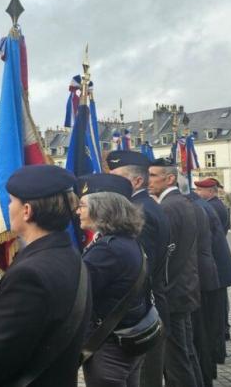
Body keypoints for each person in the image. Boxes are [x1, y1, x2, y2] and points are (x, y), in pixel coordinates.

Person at [0, 164, 91, 387]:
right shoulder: (68, 255)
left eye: (12, 200)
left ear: (27, 211)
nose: (8, 206)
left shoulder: (30, 275)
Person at [77, 174, 151, 387]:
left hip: (109, 347)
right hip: (127, 339)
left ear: (101, 208)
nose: (78, 211)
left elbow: (81, 292)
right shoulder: (125, 241)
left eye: (82, 205)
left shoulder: (107, 250)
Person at [106, 150, 170, 387]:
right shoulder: (143, 205)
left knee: (145, 378)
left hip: (143, 312)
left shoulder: (137, 212)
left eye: (116, 177)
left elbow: (139, 270)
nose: (110, 183)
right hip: (148, 305)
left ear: (136, 181)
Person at [148, 159, 202, 387]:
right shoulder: (181, 202)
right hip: (184, 289)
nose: (148, 180)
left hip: (173, 294)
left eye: (152, 175)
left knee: (176, 361)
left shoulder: (168, 207)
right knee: (186, 354)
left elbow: (167, 256)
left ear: (169, 178)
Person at [179, 176, 220, 387]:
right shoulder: (196, 206)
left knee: (197, 334)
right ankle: (206, 373)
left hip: (195, 278)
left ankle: (204, 375)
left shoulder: (190, 208)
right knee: (201, 333)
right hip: (202, 275)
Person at [194, 177, 231, 364]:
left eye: (200, 190)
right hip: (218, 266)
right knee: (219, 309)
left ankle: (219, 348)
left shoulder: (212, 206)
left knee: (217, 312)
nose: (197, 193)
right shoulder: (213, 205)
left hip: (216, 267)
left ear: (210, 191)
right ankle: (221, 340)